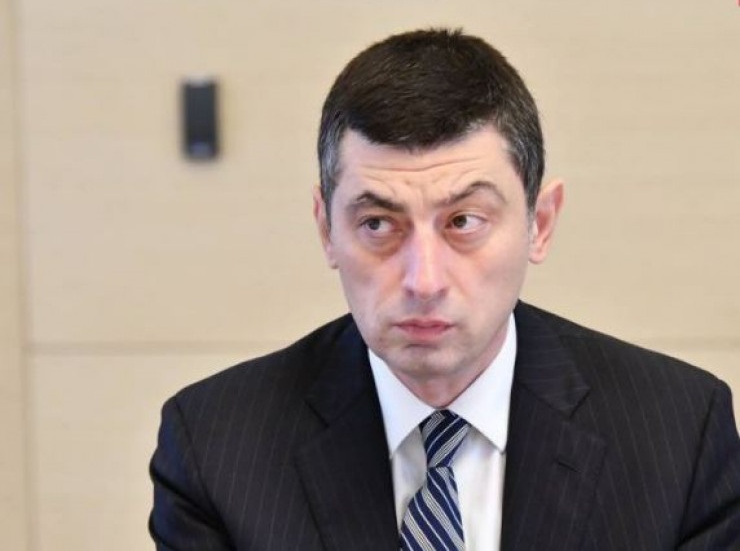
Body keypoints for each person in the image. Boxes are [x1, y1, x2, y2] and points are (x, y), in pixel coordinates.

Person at [149, 28, 740, 550]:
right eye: (378, 225)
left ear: (539, 223)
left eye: (463, 221)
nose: (424, 281)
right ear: (326, 230)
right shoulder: (216, 448)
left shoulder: (678, 434)